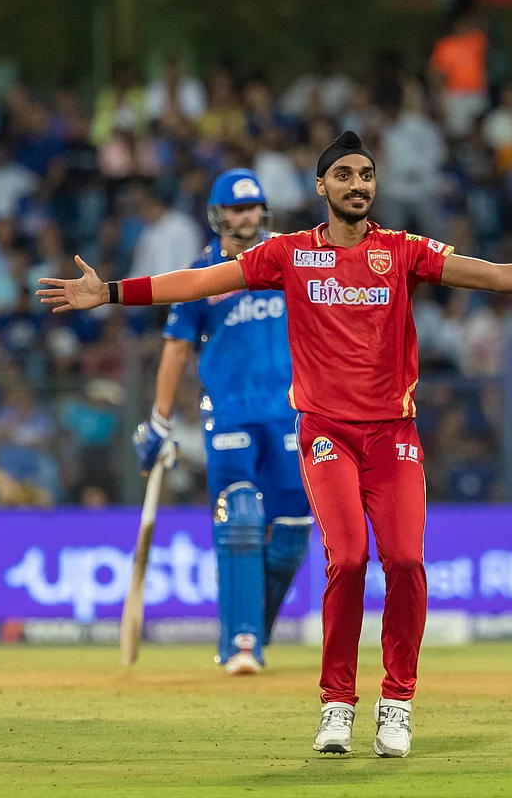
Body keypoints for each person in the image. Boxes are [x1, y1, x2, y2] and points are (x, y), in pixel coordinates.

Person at [39, 131, 512, 759]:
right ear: (321, 186)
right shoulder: (288, 254)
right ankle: (337, 703)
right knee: (349, 557)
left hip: (392, 436)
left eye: (366, 175)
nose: (358, 185)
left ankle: (397, 703)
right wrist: (111, 292)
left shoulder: (403, 250)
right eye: (345, 175)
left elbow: (494, 276)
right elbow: (198, 283)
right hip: (325, 433)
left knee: (405, 560)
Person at [132, 168, 311, 676]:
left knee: (293, 533)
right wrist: (160, 420)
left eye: (252, 207)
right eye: (236, 208)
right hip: (230, 414)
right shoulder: (201, 274)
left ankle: (252, 623)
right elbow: (176, 348)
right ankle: (241, 643)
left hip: (293, 414)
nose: (246, 216)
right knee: (242, 519)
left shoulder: (290, 257)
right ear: (218, 214)